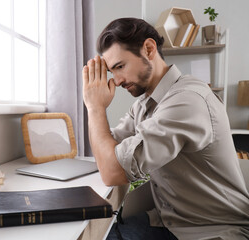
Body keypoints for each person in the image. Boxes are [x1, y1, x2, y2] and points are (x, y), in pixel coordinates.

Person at [82, 18, 249, 240]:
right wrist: (95, 106)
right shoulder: (143, 104)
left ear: (149, 49)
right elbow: (107, 153)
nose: (118, 80)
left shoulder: (187, 101)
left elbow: (112, 172)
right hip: (170, 222)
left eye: (120, 66)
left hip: (212, 231)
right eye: (112, 71)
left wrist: (95, 108)